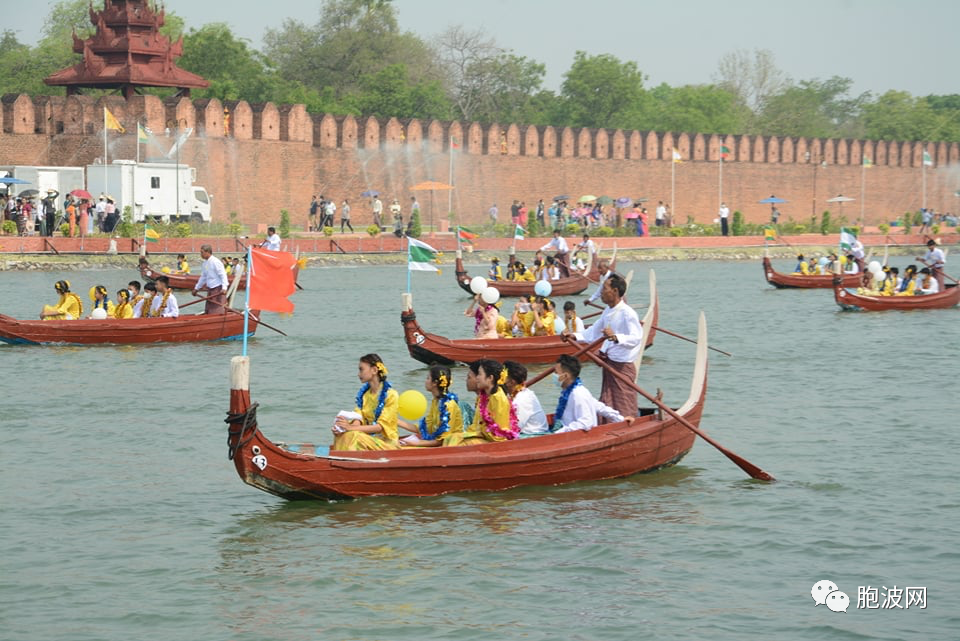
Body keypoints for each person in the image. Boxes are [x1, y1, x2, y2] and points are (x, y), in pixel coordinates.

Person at [566, 273, 643, 418]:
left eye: (604, 288)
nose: (601, 292)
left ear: (614, 291)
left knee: (624, 402)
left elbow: (636, 338)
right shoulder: (608, 311)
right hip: (610, 363)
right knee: (608, 398)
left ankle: (628, 423)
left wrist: (615, 337)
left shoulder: (628, 313)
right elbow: (593, 332)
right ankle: (609, 424)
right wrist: (574, 336)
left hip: (622, 366)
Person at [332, 354, 400, 451]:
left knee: (354, 435)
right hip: (370, 439)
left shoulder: (391, 395)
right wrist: (342, 427)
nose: (358, 374)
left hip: (387, 443)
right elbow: (358, 419)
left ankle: (349, 462)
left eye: (361, 369)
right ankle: (339, 460)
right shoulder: (364, 395)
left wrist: (350, 428)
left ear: (374, 370)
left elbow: (379, 427)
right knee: (343, 435)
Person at [550, 355, 633, 433]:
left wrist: (560, 432)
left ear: (565, 376)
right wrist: (619, 418)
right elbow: (598, 406)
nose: (554, 375)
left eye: (556, 372)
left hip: (573, 436)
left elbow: (586, 423)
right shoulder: (570, 392)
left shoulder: (578, 394)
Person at [443, 359, 519, 446]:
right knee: (452, 437)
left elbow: (499, 434)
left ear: (490, 378)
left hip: (495, 443)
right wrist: (467, 434)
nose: (477, 378)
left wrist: (477, 433)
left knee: (458, 444)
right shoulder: (483, 396)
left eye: (479, 374)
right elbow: (474, 426)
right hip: (482, 437)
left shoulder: (498, 398)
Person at [398, 364, 463, 447]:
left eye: (428, 378)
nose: (425, 381)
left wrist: (418, 443)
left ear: (435, 383)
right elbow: (425, 428)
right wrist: (396, 421)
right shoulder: (436, 401)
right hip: (435, 442)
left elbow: (442, 440)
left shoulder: (449, 405)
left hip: (451, 444)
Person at [502, 361, 548, 436]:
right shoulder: (512, 394)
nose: (498, 380)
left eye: (502, 377)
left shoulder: (522, 399)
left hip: (532, 436)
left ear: (511, 382)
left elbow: (514, 428)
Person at [192, 244, 230, 315]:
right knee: (209, 310)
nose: (201, 254)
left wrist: (224, 288)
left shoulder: (215, 262)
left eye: (202, 252)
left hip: (218, 289)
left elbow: (223, 275)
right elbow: (203, 277)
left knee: (217, 310)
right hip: (210, 289)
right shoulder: (205, 263)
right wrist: (196, 288)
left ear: (207, 252)